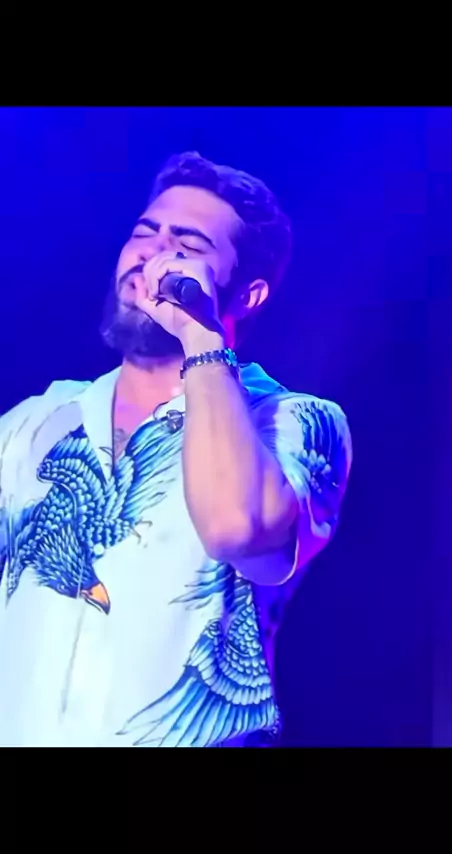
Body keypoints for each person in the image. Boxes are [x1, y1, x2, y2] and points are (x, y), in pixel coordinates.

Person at [0, 151, 352, 747]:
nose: (154, 253)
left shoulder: (293, 421)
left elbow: (236, 529)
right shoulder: (34, 423)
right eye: (145, 233)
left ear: (248, 295)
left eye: (187, 245)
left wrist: (199, 335)